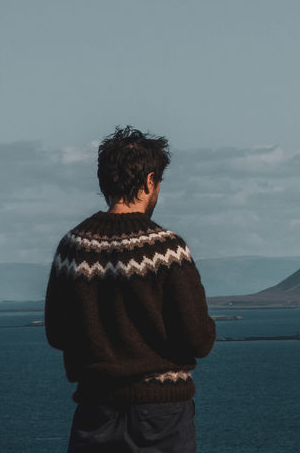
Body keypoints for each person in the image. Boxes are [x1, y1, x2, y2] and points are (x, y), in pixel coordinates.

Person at [45, 126, 217, 452]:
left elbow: (56, 334)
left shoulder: (72, 248)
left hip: (96, 413)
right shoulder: (168, 252)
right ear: (150, 181)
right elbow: (199, 340)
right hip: (164, 417)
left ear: (104, 181)